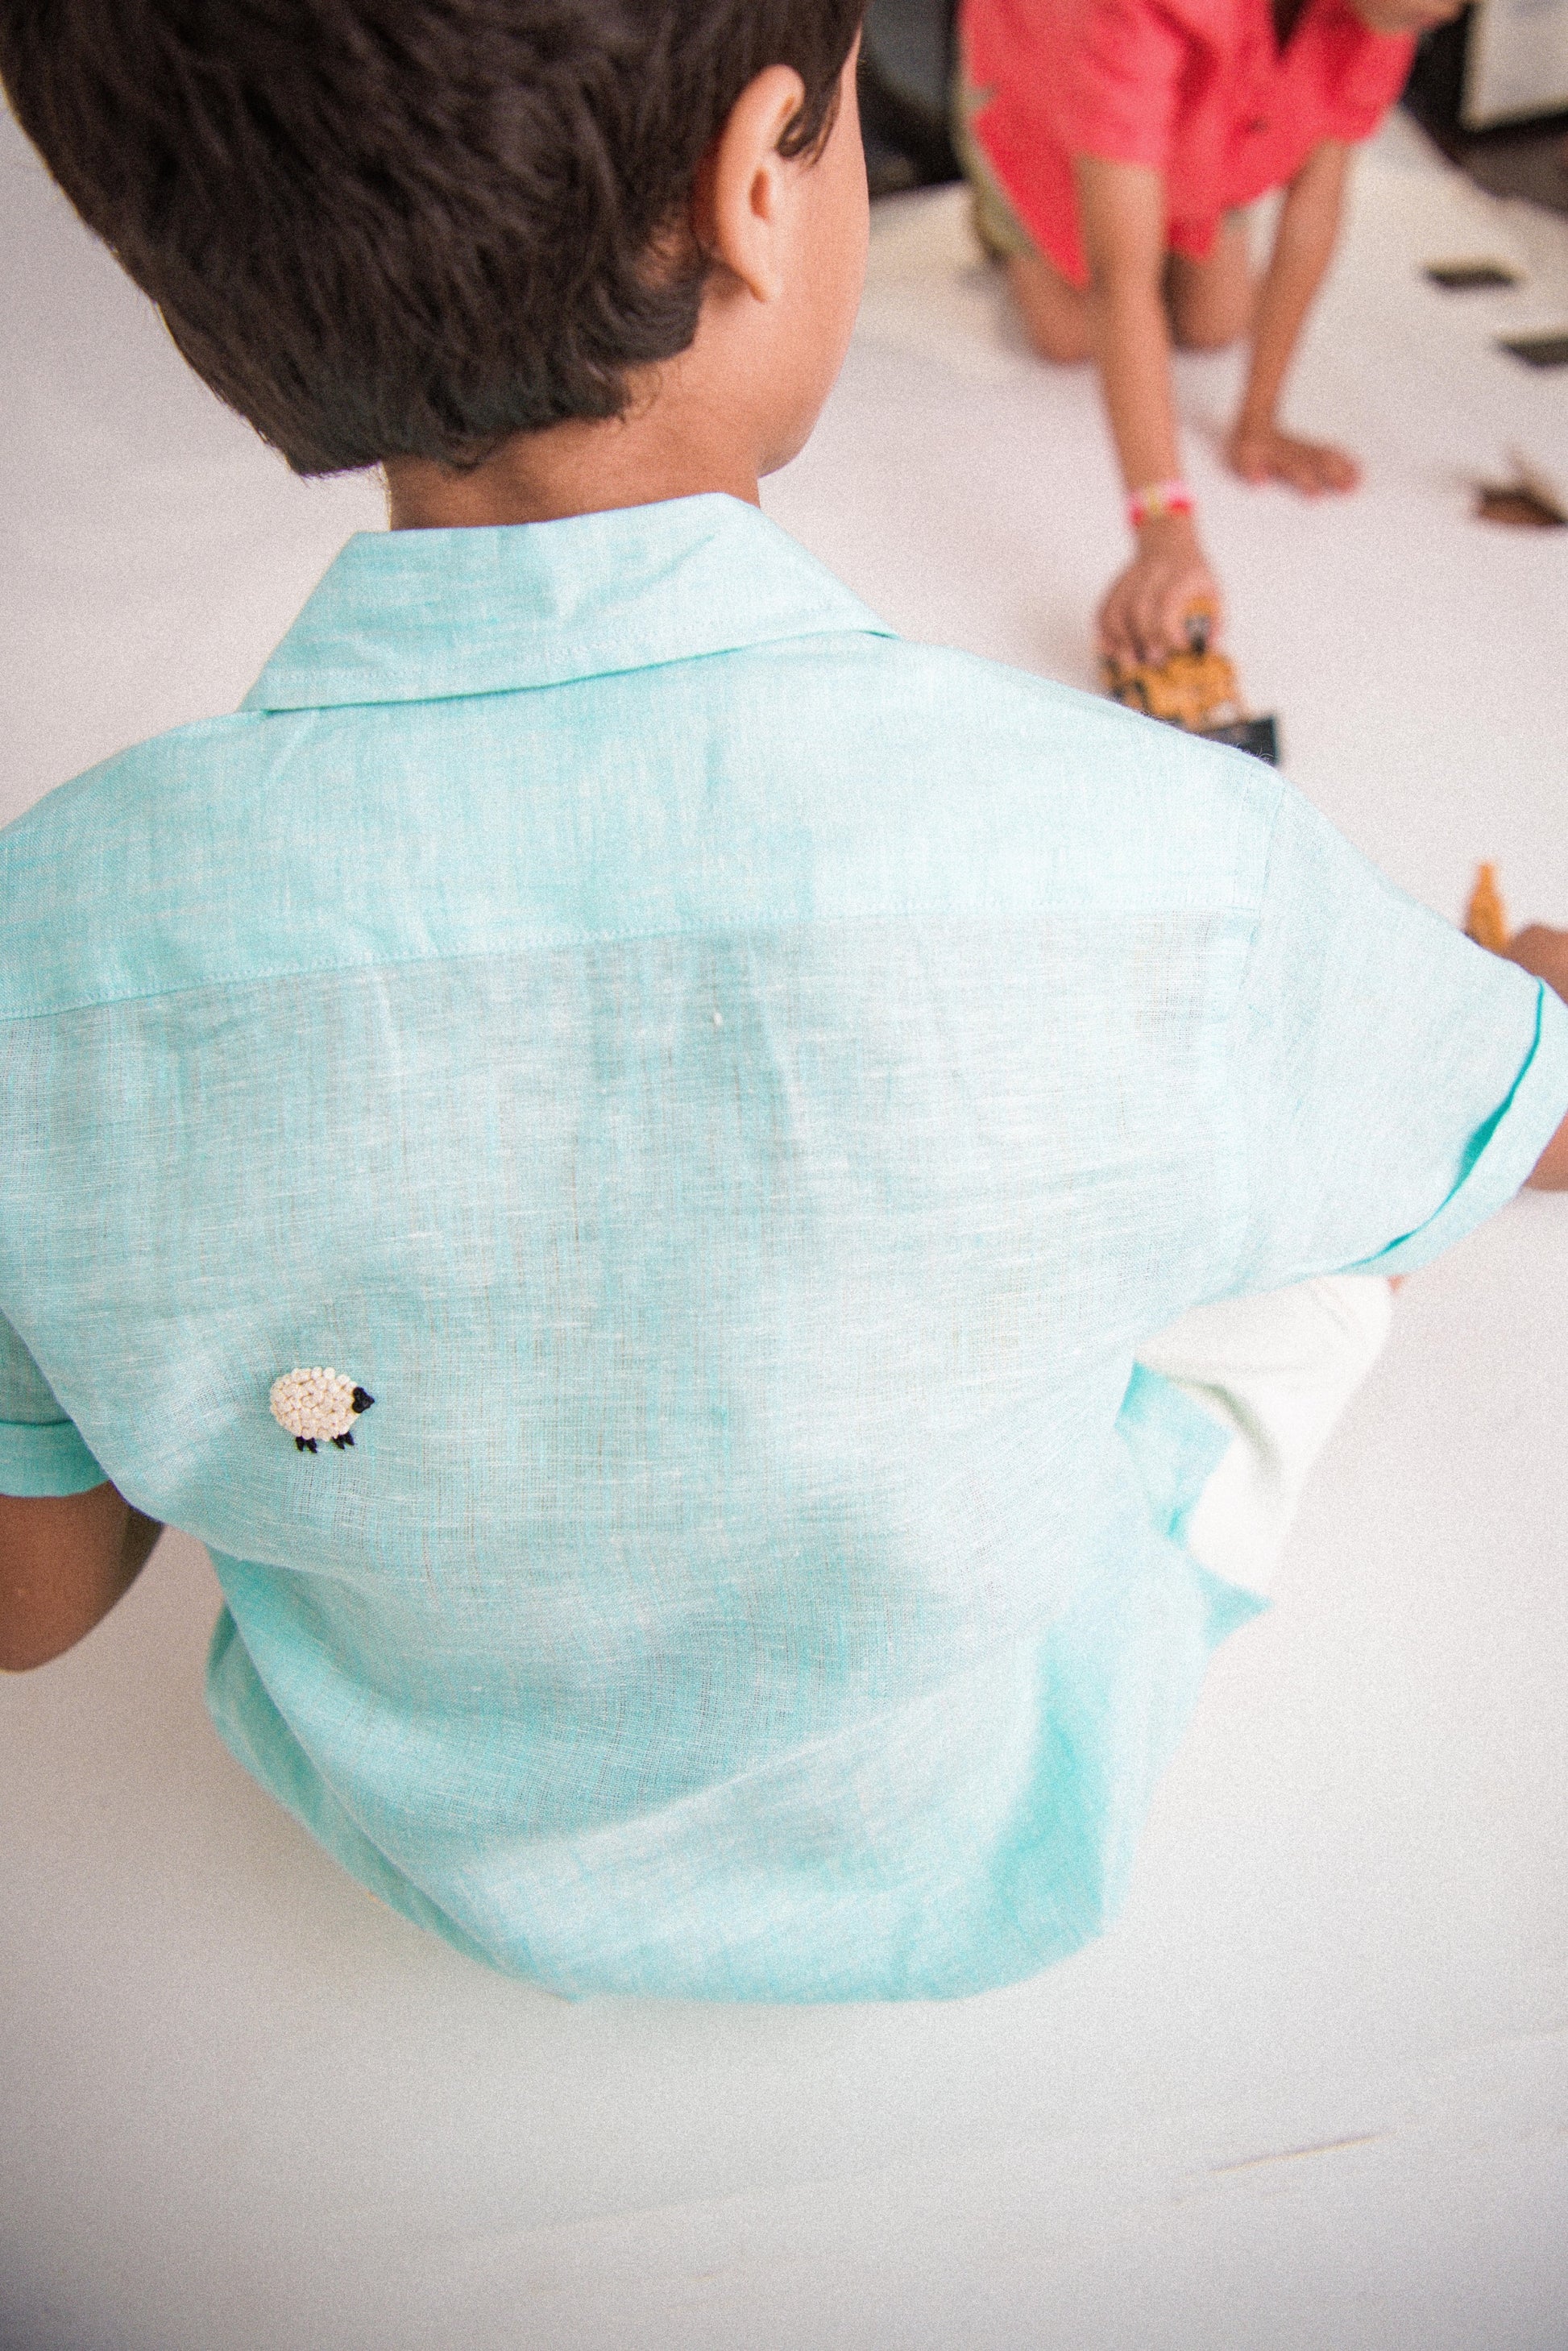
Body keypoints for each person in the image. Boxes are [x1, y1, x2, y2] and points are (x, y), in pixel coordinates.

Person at [1, 0, 1565, 2005]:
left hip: (420, 1837)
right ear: (760, 183)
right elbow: (1509, 1110)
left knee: (290, 1365)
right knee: (1320, 1166)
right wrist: (1511, 991)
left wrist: (230, 1290)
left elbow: (38, 1601)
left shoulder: (47, 957)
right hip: (988, 1817)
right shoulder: (1166, 870)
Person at [955, 0, 1465, 666]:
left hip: (1212, 116)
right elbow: (1120, 280)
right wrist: (1163, 523)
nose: (1437, 21)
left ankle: (1162, 190)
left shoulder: (1388, 16)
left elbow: (1314, 208)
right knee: (1067, 334)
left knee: (1215, 322)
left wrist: (1259, 419)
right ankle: (1004, 208)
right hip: (1050, 74)